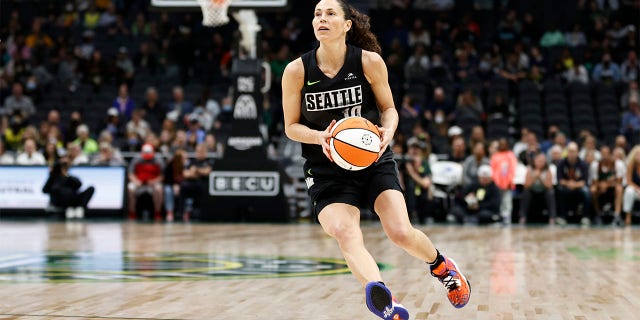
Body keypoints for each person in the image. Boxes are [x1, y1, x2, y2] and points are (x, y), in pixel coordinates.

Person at [281, 1, 470, 318]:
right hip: (326, 168)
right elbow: (291, 127)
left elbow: (389, 109)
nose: (322, 19)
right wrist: (321, 137)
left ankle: (441, 266)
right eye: (316, 14)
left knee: (400, 232)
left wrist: (388, 132)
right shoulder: (297, 71)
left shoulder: (368, 62)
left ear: (347, 25)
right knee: (344, 232)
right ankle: (384, 300)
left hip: (372, 158)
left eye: (330, 14)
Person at [556, 142, 591, 225]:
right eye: (570, 151)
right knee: (559, 190)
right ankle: (562, 217)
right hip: (565, 186)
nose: (571, 153)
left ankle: (586, 217)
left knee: (586, 192)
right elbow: (560, 180)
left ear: (577, 152)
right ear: (567, 152)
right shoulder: (561, 163)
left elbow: (584, 181)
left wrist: (574, 185)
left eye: (573, 151)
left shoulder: (583, 164)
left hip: (579, 187)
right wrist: (569, 183)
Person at [127, 143, 164, 221]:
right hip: (139, 182)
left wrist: (154, 181)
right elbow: (130, 174)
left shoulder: (158, 160)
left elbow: (162, 176)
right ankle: (132, 213)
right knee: (130, 188)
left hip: (153, 182)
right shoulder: (136, 159)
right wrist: (136, 181)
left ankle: (157, 213)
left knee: (159, 189)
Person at [590, 145, 624, 225]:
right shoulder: (595, 165)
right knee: (593, 189)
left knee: (619, 188)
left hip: (613, 188)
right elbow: (594, 182)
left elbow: (619, 182)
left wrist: (607, 185)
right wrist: (600, 185)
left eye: (606, 153)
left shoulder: (618, 164)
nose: (604, 155)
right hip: (600, 188)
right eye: (603, 153)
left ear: (610, 154)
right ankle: (597, 214)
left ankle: (617, 215)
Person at [519, 153, 556, 225]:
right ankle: (522, 216)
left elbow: (549, 186)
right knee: (526, 192)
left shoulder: (548, 170)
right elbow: (526, 185)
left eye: (542, 161)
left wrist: (540, 178)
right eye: (538, 161)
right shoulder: (530, 169)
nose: (540, 163)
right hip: (532, 191)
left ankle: (552, 217)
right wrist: (534, 177)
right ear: (534, 161)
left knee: (550, 193)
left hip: (543, 191)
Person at [622, 145, 640, 226]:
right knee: (628, 191)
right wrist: (637, 189)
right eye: (637, 154)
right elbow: (628, 181)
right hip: (635, 190)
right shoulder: (630, 165)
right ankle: (628, 216)